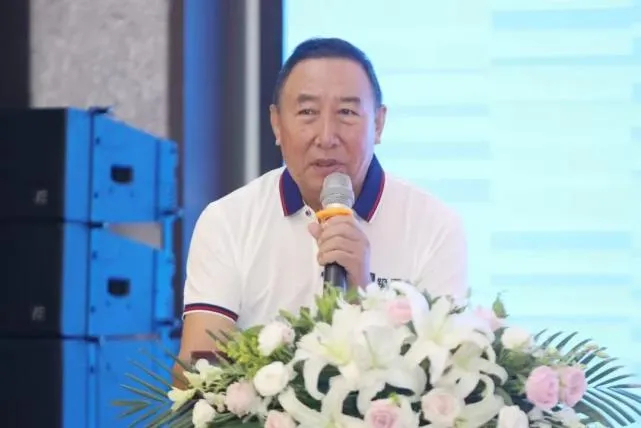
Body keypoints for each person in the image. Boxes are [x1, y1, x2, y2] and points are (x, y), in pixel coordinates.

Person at [173, 37, 468, 384]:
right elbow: (197, 372)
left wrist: (363, 292)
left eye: (347, 112)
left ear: (378, 124)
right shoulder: (227, 221)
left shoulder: (434, 226)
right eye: (307, 113)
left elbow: (448, 378)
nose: (326, 136)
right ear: (276, 124)